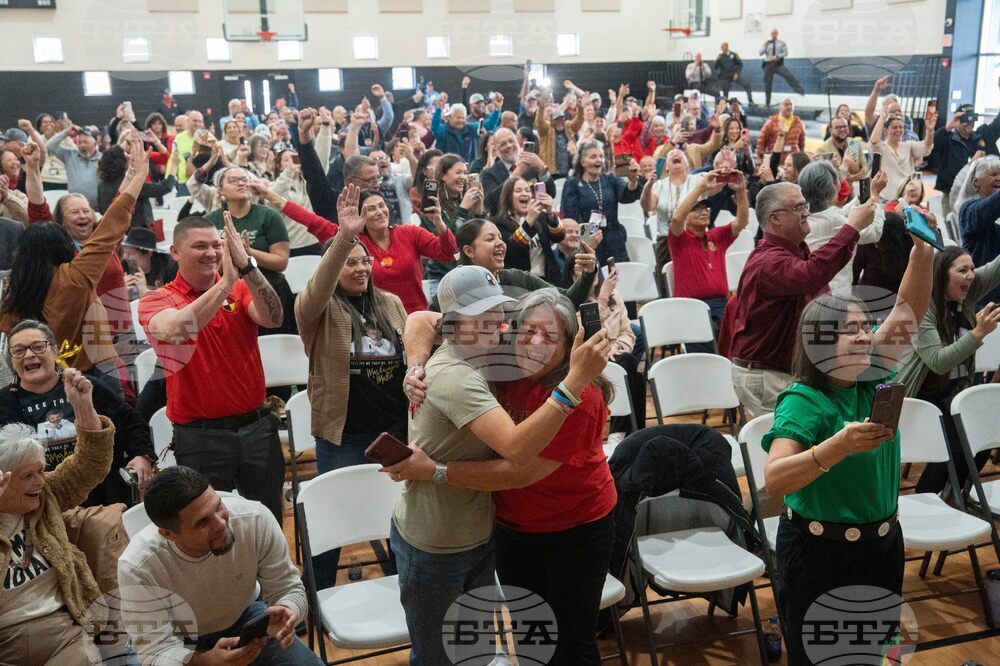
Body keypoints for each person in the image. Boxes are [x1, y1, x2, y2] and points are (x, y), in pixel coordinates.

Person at [387, 265, 610, 665]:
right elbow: (421, 317)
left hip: (571, 528)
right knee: (522, 639)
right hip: (498, 529)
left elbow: (517, 466)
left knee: (570, 645)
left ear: (569, 348)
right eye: (528, 330)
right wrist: (414, 365)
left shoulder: (580, 396)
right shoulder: (490, 355)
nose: (535, 343)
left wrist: (433, 470)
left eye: (551, 336)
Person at [761, 219, 935, 664]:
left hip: (882, 545)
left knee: (871, 657)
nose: (864, 335)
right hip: (818, 553)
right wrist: (836, 447)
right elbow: (776, 480)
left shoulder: (873, 374)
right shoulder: (804, 400)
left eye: (865, 326)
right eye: (850, 330)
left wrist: (923, 252)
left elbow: (907, 310)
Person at [138, 214, 285, 524]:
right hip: (200, 438)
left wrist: (247, 267)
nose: (212, 253)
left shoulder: (242, 288)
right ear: (175, 252)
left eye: (217, 245)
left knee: (268, 520)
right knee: (208, 528)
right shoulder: (157, 299)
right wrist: (227, 283)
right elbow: (177, 330)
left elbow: (273, 318)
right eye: (200, 246)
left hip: (257, 428)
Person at [117, 466, 321, 665]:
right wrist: (206, 661)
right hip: (177, 641)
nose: (221, 523)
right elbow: (156, 651)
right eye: (201, 523)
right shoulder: (138, 567)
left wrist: (287, 611)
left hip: (246, 618)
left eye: (218, 506)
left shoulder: (255, 519)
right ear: (168, 534)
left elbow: (289, 589)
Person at [1, 139, 148, 394]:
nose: (83, 216)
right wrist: (140, 175)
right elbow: (115, 217)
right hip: (94, 373)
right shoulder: (78, 274)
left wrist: (33, 168)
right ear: (62, 238)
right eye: (74, 212)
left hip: (44, 381)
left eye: (86, 210)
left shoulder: (16, 290)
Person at [723, 182, 880, 418]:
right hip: (769, 377)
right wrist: (853, 226)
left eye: (806, 205)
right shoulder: (768, 262)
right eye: (798, 207)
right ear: (775, 218)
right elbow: (813, 274)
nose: (807, 212)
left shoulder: (794, 254)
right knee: (788, 451)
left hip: (785, 373)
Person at [0, 368, 114, 666]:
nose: (40, 481)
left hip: (63, 632)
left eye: (41, 471)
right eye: (28, 476)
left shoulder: (46, 495)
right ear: (4, 479)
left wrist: (82, 407)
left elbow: (90, 463)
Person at [1, 318, 155, 504]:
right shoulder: (5, 402)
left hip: (105, 492)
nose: (29, 355)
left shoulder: (86, 386)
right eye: (19, 350)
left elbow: (132, 421)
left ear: (55, 351)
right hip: (45, 501)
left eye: (38, 347)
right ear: (11, 361)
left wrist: (141, 455)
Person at [896, 246, 1000, 495]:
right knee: (952, 448)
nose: (971, 275)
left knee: (984, 433)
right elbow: (937, 361)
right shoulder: (924, 305)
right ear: (942, 276)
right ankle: (927, 500)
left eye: (973, 269)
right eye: (963, 270)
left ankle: (954, 494)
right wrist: (978, 333)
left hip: (950, 393)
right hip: (919, 397)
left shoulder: (967, 291)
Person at [204, 166, 295, 333]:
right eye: (233, 180)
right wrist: (233, 257)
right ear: (221, 190)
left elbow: (281, 262)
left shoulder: (269, 216)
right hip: (228, 294)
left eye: (244, 179)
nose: (241, 183)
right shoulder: (210, 221)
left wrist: (248, 254)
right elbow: (208, 266)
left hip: (269, 289)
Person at [669, 170, 750, 349]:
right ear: (686, 218)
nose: (704, 212)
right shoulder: (679, 238)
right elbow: (676, 217)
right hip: (692, 309)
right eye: (696, 209)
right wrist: (702, 187)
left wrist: (741, 190)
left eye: (705, 208)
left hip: (721, 306)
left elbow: (742, 221)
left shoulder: (717, 236)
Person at [801, 162, 887, 296]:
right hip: (835, 295)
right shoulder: (834, 220)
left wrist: (862, 197)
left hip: (811, 292)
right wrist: (875, 195)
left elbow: (840, 214)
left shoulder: (804, 216)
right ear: (832, 189)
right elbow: (874, 233)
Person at [561, 139, 643, 265]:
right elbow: (570, 217)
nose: (598, 160)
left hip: (614, 240)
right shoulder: (572, 184)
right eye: (593, 157)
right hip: (588, 241)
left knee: (619, 278)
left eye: (601, 156)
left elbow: (628, 195)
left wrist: (632, 180)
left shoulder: (610, 179)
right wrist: (585, 241)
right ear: (583, 162)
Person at [491, 177, 564, 284]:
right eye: (518, 190)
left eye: (527, 190)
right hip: (519, 283)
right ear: (508, 197)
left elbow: (559, 237)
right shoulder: (498, 223)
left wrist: (550, 214)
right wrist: (529, 221)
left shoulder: (541, 217)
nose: (524, 193)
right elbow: (511, 250)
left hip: (547, 281)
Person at [98, 144, 179, 229]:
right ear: (121, 162)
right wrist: (173, 166)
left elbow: (101, 209)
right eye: (126, 156)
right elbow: (165, 187)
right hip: (137, 232)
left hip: (111, 229)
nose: (129, 157)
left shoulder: (101, 184)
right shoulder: (132, 184)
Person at [933, 105, 990, 217]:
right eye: (965, 119)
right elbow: (933, 146)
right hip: (951, 190)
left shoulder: (978, 139)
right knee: (951, 224)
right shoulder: (947, 137)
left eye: (972, 118)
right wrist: (949, 126)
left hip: (974, 192)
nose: (969, 122)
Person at [870, 106, 937, 199]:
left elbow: (926, 148)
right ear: (886, 130)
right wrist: (882, 118)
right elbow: (874, 141)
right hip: (887, 198)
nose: (898, 130)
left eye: (900, 127)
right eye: (894, 127)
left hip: (907, 196)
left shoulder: (908, 146)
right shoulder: (882, 148)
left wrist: (929, 130)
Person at [958, 158, 1000, 303]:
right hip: (983, 299)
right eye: (993, 174)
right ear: (976, 182)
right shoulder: (968, 210)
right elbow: (984, 212)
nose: (999, 178)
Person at [44, 124, 101, 209]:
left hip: (98, 206)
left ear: (95, 142)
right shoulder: (70, 156)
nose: (82, 145)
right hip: (75, 205)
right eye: (80, 142)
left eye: (85, 142)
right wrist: (66, 133)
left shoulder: (103, 159)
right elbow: (50, 146)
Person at [430, 98, 501, 164]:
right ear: (450, 117)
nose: (461, 120)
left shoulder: (471, 128)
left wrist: (497, 109)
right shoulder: (443, 130)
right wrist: (438, 109)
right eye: (458, 118)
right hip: (447, 169)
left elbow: (489, 125)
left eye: (463, 118)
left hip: (468, 168)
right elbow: (434, 128)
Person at [759, 28, 804, 107]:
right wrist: (764, 46)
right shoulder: (767, 43)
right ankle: (767, 102)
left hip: (778, 64)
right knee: (767, 84)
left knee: (789, 76)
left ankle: (800, 91)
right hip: (768, 65)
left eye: (775, 33)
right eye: (772, 33)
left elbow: (785, 53)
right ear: (771, 34)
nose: (774, 35)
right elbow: (760, 53)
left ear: (777, 34)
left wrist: (777, 56)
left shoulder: (781, 43)